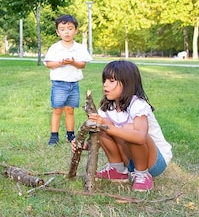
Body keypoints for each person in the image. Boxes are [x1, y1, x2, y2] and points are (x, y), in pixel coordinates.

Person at [73, 60, 172, 191]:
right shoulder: (107, 108)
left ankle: (143, 174)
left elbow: (141, 137)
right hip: (130, 159)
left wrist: (107, 126)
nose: (105, 85)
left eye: (111, 81)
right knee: (101, 126)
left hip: (153, 161)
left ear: (127, 84)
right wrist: (83, 145)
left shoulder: (138, 105)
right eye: (105, 80)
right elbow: (103, 133)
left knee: (129, 129)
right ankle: (117, 170)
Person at [43, 14, 92, 145]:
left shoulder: (79, 48)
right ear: (58, 32)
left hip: (73, 84)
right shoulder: (55, 48)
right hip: (59, 85)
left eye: (70, 28)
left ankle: (70, 135)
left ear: (76, 30)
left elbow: (82, 64)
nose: (66, 32)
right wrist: (61, 63)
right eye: (63, 29)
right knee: (57, 110)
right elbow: (48, 64)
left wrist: (72, 62)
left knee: (70, 110)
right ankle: (54, 135)